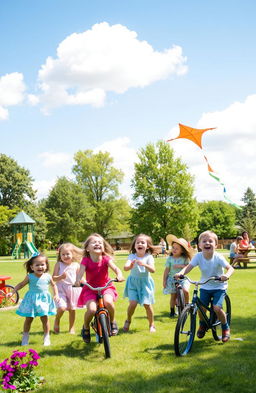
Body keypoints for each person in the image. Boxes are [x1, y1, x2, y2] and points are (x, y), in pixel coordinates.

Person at [175, 230, 234, 343]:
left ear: (215, 245)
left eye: (210, 241)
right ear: (200, 245)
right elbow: (189, 267)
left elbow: (230, 268)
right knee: (200, 308)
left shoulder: (218, 257)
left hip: (219, 287)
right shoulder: (198, 256)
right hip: (205, 286)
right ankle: (202, 325)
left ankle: (225, 327)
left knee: (216, 308)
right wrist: (181, 273)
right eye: (204, 241)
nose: (207, 243)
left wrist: (226, 275)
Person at [76, 233, 124, 344]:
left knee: (108, 302)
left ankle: (112, 321)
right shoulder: (85, 260)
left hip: (105, 286)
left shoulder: (106, 259)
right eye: (94, 242)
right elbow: (80, 273)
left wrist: (119, 275)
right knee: (92, 309)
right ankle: (86, 327)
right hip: (90, 288)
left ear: (103, 247)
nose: (97, 244)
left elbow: (116, 269)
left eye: (100, 242)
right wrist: (78, 280)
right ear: (88, 248)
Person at [8, 252, 59, 346]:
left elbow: (54, 285)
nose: (40, 267)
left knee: (45, 318)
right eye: (37, 265)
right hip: (31, 300)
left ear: (46, 265)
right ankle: (25, 337)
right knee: (29, 319)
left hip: (44, 299)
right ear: (32, 267)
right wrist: (13, 291)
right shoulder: (30, 276)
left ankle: (46, 337)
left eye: (42, 265)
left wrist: (56, 294)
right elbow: (21, 284)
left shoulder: (47, 276)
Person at [123, 233, 156, 333]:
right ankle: (128, 320)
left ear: (147, 246)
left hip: (145, 283)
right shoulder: (131, 256)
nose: (140, 244)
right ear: (134, 246)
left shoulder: (149, 257)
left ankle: (152, 324)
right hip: (133, 283)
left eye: (143, 242)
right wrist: (130, 265)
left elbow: (153, 270)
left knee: (147, 305)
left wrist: (145, 264)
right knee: (132, 304)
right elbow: (125, 268)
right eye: (138, 242)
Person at [53, 242, 84, 334]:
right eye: (63, 254)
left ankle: (71, 328)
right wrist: (60, 277)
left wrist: (86, 284)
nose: (65, 256)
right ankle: (57, 320)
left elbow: (80, 277)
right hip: (61, 289)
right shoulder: (58, 264)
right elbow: (53, 278)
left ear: (72, 254)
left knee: (72, 309)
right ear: (60, 255)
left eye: (67, 254)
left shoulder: (76, 265)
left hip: (73, 289)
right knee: (62, 308)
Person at [163, 235, 193, 317]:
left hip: (182, 279)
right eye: (173, 247)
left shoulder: (185, 258)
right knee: (173, 296)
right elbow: (166, 270)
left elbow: (188, 267)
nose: (174, 250)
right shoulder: (170, 259)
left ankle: (187, 306)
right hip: (172, 279)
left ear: (182, 251)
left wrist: (180, 266)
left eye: (177, 248)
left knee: (185, 291)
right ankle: (172, 311)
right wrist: (164, 281)